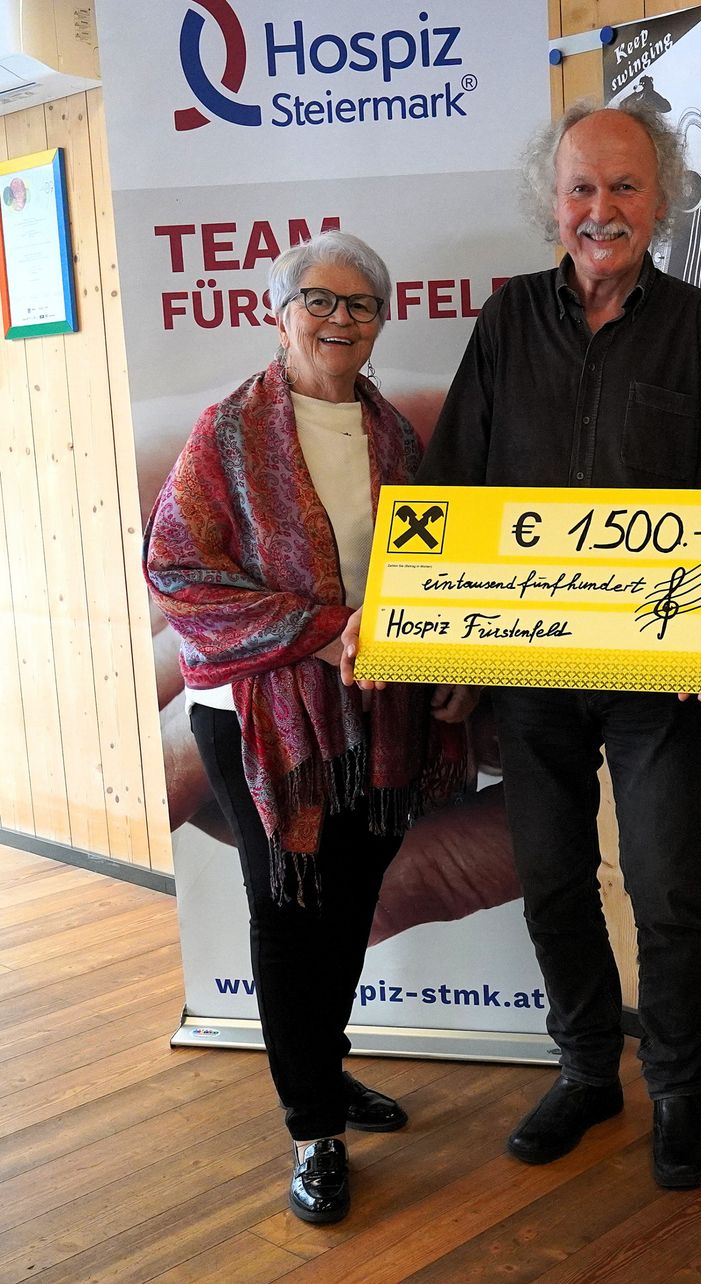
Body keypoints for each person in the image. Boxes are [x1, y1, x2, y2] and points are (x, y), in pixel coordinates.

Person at [343, 99, 701, 1189]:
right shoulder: (508, 318)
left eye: (623, 188)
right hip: (523, 671)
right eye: (581, 188)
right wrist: (443, 650)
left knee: (671, 887)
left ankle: (677, 1086)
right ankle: (585, 1067)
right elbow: (450, 489)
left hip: (657, 674)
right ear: (552, 201)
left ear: (660, 200)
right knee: (555, 877)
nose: (600, 210)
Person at [144, 230, 470, 1225]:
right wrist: (324, 635)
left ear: (381, 324)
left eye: (361, 305)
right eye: (319, 302)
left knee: (348, 902)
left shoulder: (397, 438)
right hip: (258, 726)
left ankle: (323, 1070)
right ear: (276, 315)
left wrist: (446, 666)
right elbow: (178, 571)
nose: (340, 319)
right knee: (291, 915)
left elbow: (425, 574)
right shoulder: (227, 435)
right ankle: (312, 1130)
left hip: (380, 713)